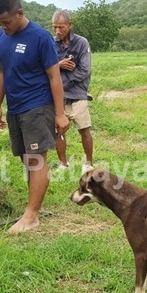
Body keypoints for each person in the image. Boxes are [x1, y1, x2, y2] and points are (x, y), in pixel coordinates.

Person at [0, 0, 69, 234]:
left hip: (37, 106)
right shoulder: (0, 35)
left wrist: (60, 113)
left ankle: (31, 216)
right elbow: (1, 71)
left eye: (7, 22)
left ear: (20, 13)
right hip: (15, 108)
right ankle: (35, 205)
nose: (3, 27)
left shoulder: (40, 37)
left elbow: (54, 76)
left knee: (36, 159)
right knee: (27, 158)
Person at [51, 10, 94, 174]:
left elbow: (84, 70)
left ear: (70, 25)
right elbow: (46, 66)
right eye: (54, 27)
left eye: (61, 27)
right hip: (59, 97)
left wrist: (62, 81)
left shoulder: (82, 43)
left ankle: (88, 163)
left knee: (84, 129)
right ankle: (63, 164)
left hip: (78, 94)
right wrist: (59, 64)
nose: (57, 31)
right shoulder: (51, 44)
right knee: (58, 130)